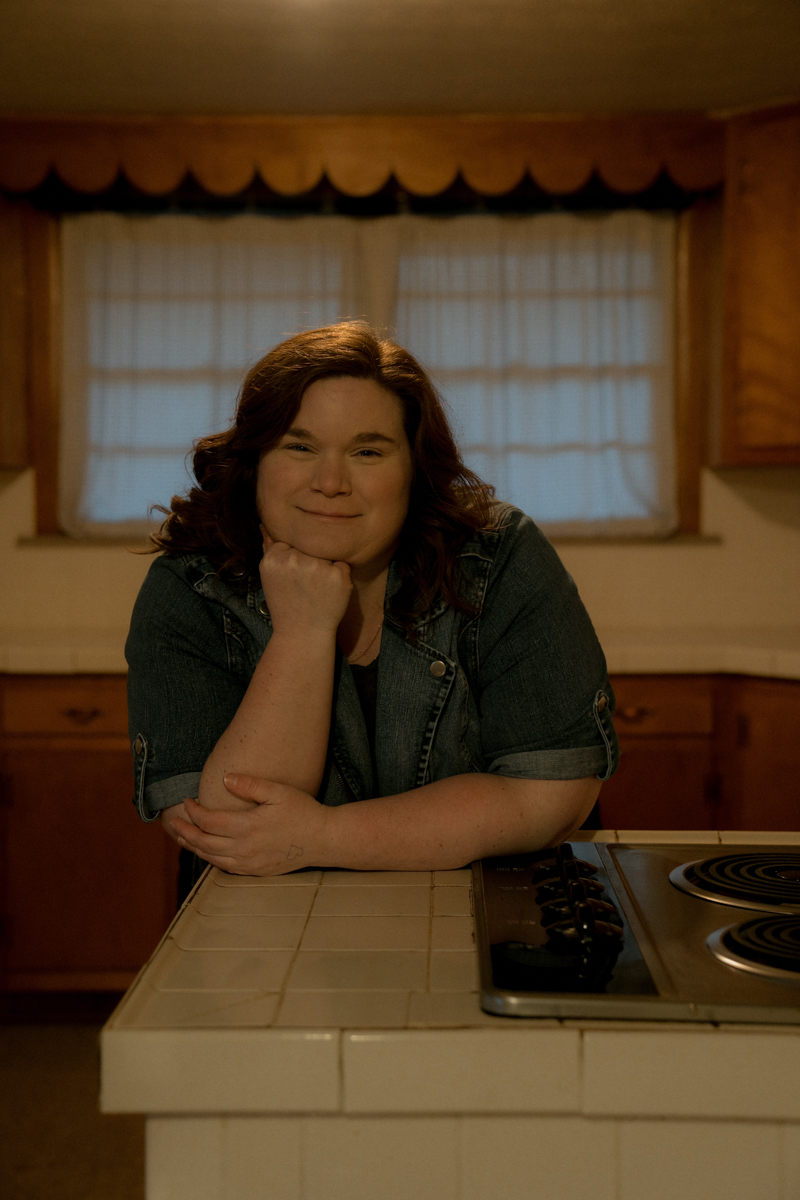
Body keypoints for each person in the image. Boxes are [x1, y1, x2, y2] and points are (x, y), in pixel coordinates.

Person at [126, 321, 618, 884]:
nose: (330, 481)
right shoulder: (190, 586)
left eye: (367, 451)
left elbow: (549, 795)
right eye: (299, 446)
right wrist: (302, 632)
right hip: (262, 930)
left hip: (484, 910)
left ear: (415, 470)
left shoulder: (498, 558)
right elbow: (225, 828)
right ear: (254, 461)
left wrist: (323, 837)